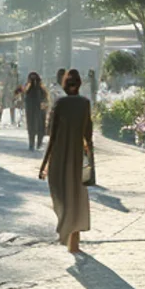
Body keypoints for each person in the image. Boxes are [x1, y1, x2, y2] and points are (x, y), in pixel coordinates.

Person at [39, 68, 93, 254]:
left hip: (60, 158)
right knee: (76, 198)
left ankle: (65, 230)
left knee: (60, 196)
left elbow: (52, 136)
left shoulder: (60, 104)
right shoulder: (85, 104)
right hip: (77, 158)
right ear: (79, 84)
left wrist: (44, 164)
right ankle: (74, 243)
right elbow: (89, 137)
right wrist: (90, 164)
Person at [23, 71, 49, 151]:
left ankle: (39, 143)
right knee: (31, 126)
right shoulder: (28, 88)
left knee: (40, 127)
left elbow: (45, 99)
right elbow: (24, 95)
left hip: (39, 110)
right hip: (31, 109)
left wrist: (44, 107)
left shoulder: (41, 89)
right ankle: (32, 143)